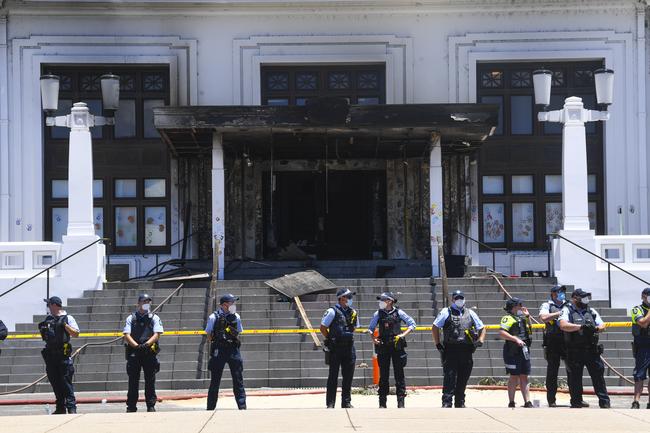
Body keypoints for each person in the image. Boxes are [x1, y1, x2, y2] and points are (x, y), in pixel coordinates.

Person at [432, 290, 486, 408]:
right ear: (452, 299)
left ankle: (460, 401)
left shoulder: (470, 312)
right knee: (449, 377)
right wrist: (437, 343)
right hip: (451, 349)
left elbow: (482, 327)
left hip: (467, 349)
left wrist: (480, 340)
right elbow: (435, 327)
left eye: (461, 298)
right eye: (457, 298)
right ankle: (447, 401)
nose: (459, 300)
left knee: (464, 376)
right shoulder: (446, 312)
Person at [559, 288, 610, 408]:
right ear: (574, 298)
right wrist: (580, 327)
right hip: (575, 350)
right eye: (582, 297)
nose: (585, 300)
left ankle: (604, 402)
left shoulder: (591, 310)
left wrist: (596, 328)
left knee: (598, 377)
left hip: (591, 349)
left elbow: (603, 325)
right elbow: (563, 325)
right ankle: (576, 401)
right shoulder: (567, 310)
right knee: (575, 378)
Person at [367, 291, 417, 408]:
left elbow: (412, 324)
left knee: (399, 374)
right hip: (383, 346)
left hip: (397, 346)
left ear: (389, 301)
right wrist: (373, 339)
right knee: (383, 375)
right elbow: (370, 328)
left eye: (383, 300)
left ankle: (401, 402)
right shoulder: (378, 314)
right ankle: (382, 403)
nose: (380, 302)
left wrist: (403, 335)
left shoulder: (399, 312)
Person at [38, 296, 80, 414]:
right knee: (55, 383)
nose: (48, 307)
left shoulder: (68, 318)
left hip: (63, 356)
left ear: (55, 305)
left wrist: (64, 325)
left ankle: (71, 408)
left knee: (66, 383)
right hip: (51, 356)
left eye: (49, 304)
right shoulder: (48, 319)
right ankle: (60, 408)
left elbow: (76, 334)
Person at [123, 293, 164, 413]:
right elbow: (126, 334)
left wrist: (146, 345)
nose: (146, 304)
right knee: (133, 381)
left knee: (150, 381)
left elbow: (157, 334)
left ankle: (150, 405)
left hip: (149, 352)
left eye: (148, 302)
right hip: (134, 353)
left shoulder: (155, 317)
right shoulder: (131, 318)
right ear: (138, 303)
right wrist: (136, 346)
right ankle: (131, 406)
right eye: (144, 302)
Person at [205, 293, 246, 410]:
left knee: (238, 380)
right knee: (215, 381)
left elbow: (239, 332)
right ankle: (210, 408)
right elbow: (208, 335)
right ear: (224, 305)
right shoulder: (213, 317)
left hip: (233, 350)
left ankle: (242, 407)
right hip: (219, 350)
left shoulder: (236, 316)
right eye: (231, 303)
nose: (233, 305)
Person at [320, 288, 359, 409]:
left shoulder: (353, 312)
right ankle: (330, 403)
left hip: (349, 348)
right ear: (341, 298)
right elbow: (323, 327)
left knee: (348, 376)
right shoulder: (332, 311)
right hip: (336, 348)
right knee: (333, 376)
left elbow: (355, 328)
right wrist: (331, 338)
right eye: (348, 297)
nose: (350, 299)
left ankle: (346, 402)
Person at [499, 297, 533, 408]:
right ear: (513, 307)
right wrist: (515, 339)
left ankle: (527, 401)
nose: (521, 307)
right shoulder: (507, 318)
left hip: (524, 350)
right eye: (519, 305)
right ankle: (511, 401)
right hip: (512, 351)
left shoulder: (522, 318)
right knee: (514, 376)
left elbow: (530, 328)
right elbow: (502, 333)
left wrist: (528, 317)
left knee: (524, 376)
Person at [538, 284, 568, 407]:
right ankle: (551, 400)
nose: (562, 294)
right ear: (553, 294)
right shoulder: (547, 305)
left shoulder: (569, 304)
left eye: (563, 292)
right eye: (560, 292)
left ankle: (577, 398)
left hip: (568, 340)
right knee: (552, 371)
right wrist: (560, 313)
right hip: (553, 340)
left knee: (573, 370)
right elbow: (543, 317)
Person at [630, 287, 650, 409]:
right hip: (643, 346)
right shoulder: (637, 309)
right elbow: (643, 323)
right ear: (643, 296)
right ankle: (636, 402)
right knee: (639, 375)